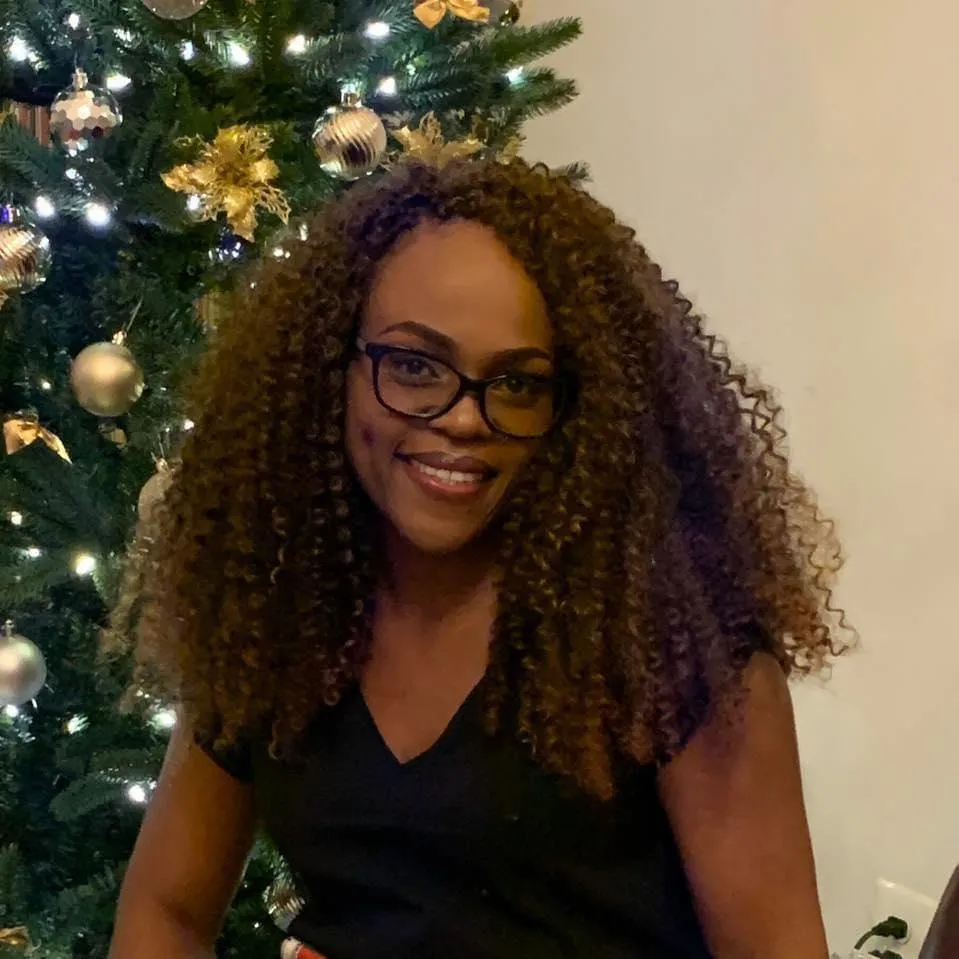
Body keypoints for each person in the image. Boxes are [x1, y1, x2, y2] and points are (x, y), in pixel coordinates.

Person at [108, 158, 850, 959]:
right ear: (330, 368)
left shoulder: (670, 646)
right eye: (414, 366)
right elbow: (165, 908)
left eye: (518, 384)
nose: (463, 419)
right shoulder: (277, 605)